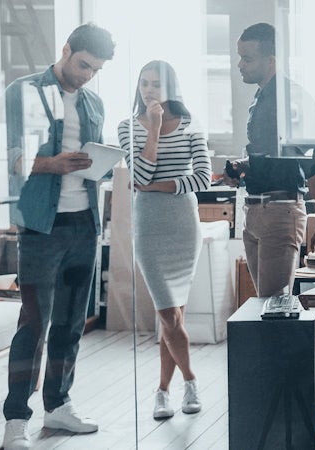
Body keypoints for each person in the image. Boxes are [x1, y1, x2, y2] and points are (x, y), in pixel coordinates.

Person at [1, 23, 114, 450]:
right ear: (66, 50)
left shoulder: (94, 103)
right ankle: (16, 420)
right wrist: (54, 163)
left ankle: (58, 404)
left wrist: (98, 163)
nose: (87, 75)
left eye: (95, 69)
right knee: (33, 325)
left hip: (84, 225)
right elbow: (10, 156)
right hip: (40, 228)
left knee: (70, 324)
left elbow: (92, 161)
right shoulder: (23, 92)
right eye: (83, 64)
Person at [224, 22, 315, 303]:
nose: (240, 65)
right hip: (254, 211)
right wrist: (242, 166)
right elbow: (273, 160)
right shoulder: (261, 99)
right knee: (264, 305)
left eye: (247, 58)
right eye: (239, 57)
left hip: (279, 213)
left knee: (274, 306)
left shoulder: (294, 100)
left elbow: (313, 165)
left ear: (271, 61)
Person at [117, 60, 210, 420]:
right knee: (170, 315)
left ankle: (161, 392)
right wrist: (153, 128)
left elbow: (202, 179)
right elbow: (138, 171)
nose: (149, 90)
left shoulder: (190, 124)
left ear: (171, 87)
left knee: (172, 318)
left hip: (183, 225)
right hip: (149, 227)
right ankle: (191, 380)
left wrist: (155, 187)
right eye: (144, 83)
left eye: (156, 84)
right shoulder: (127, 127)